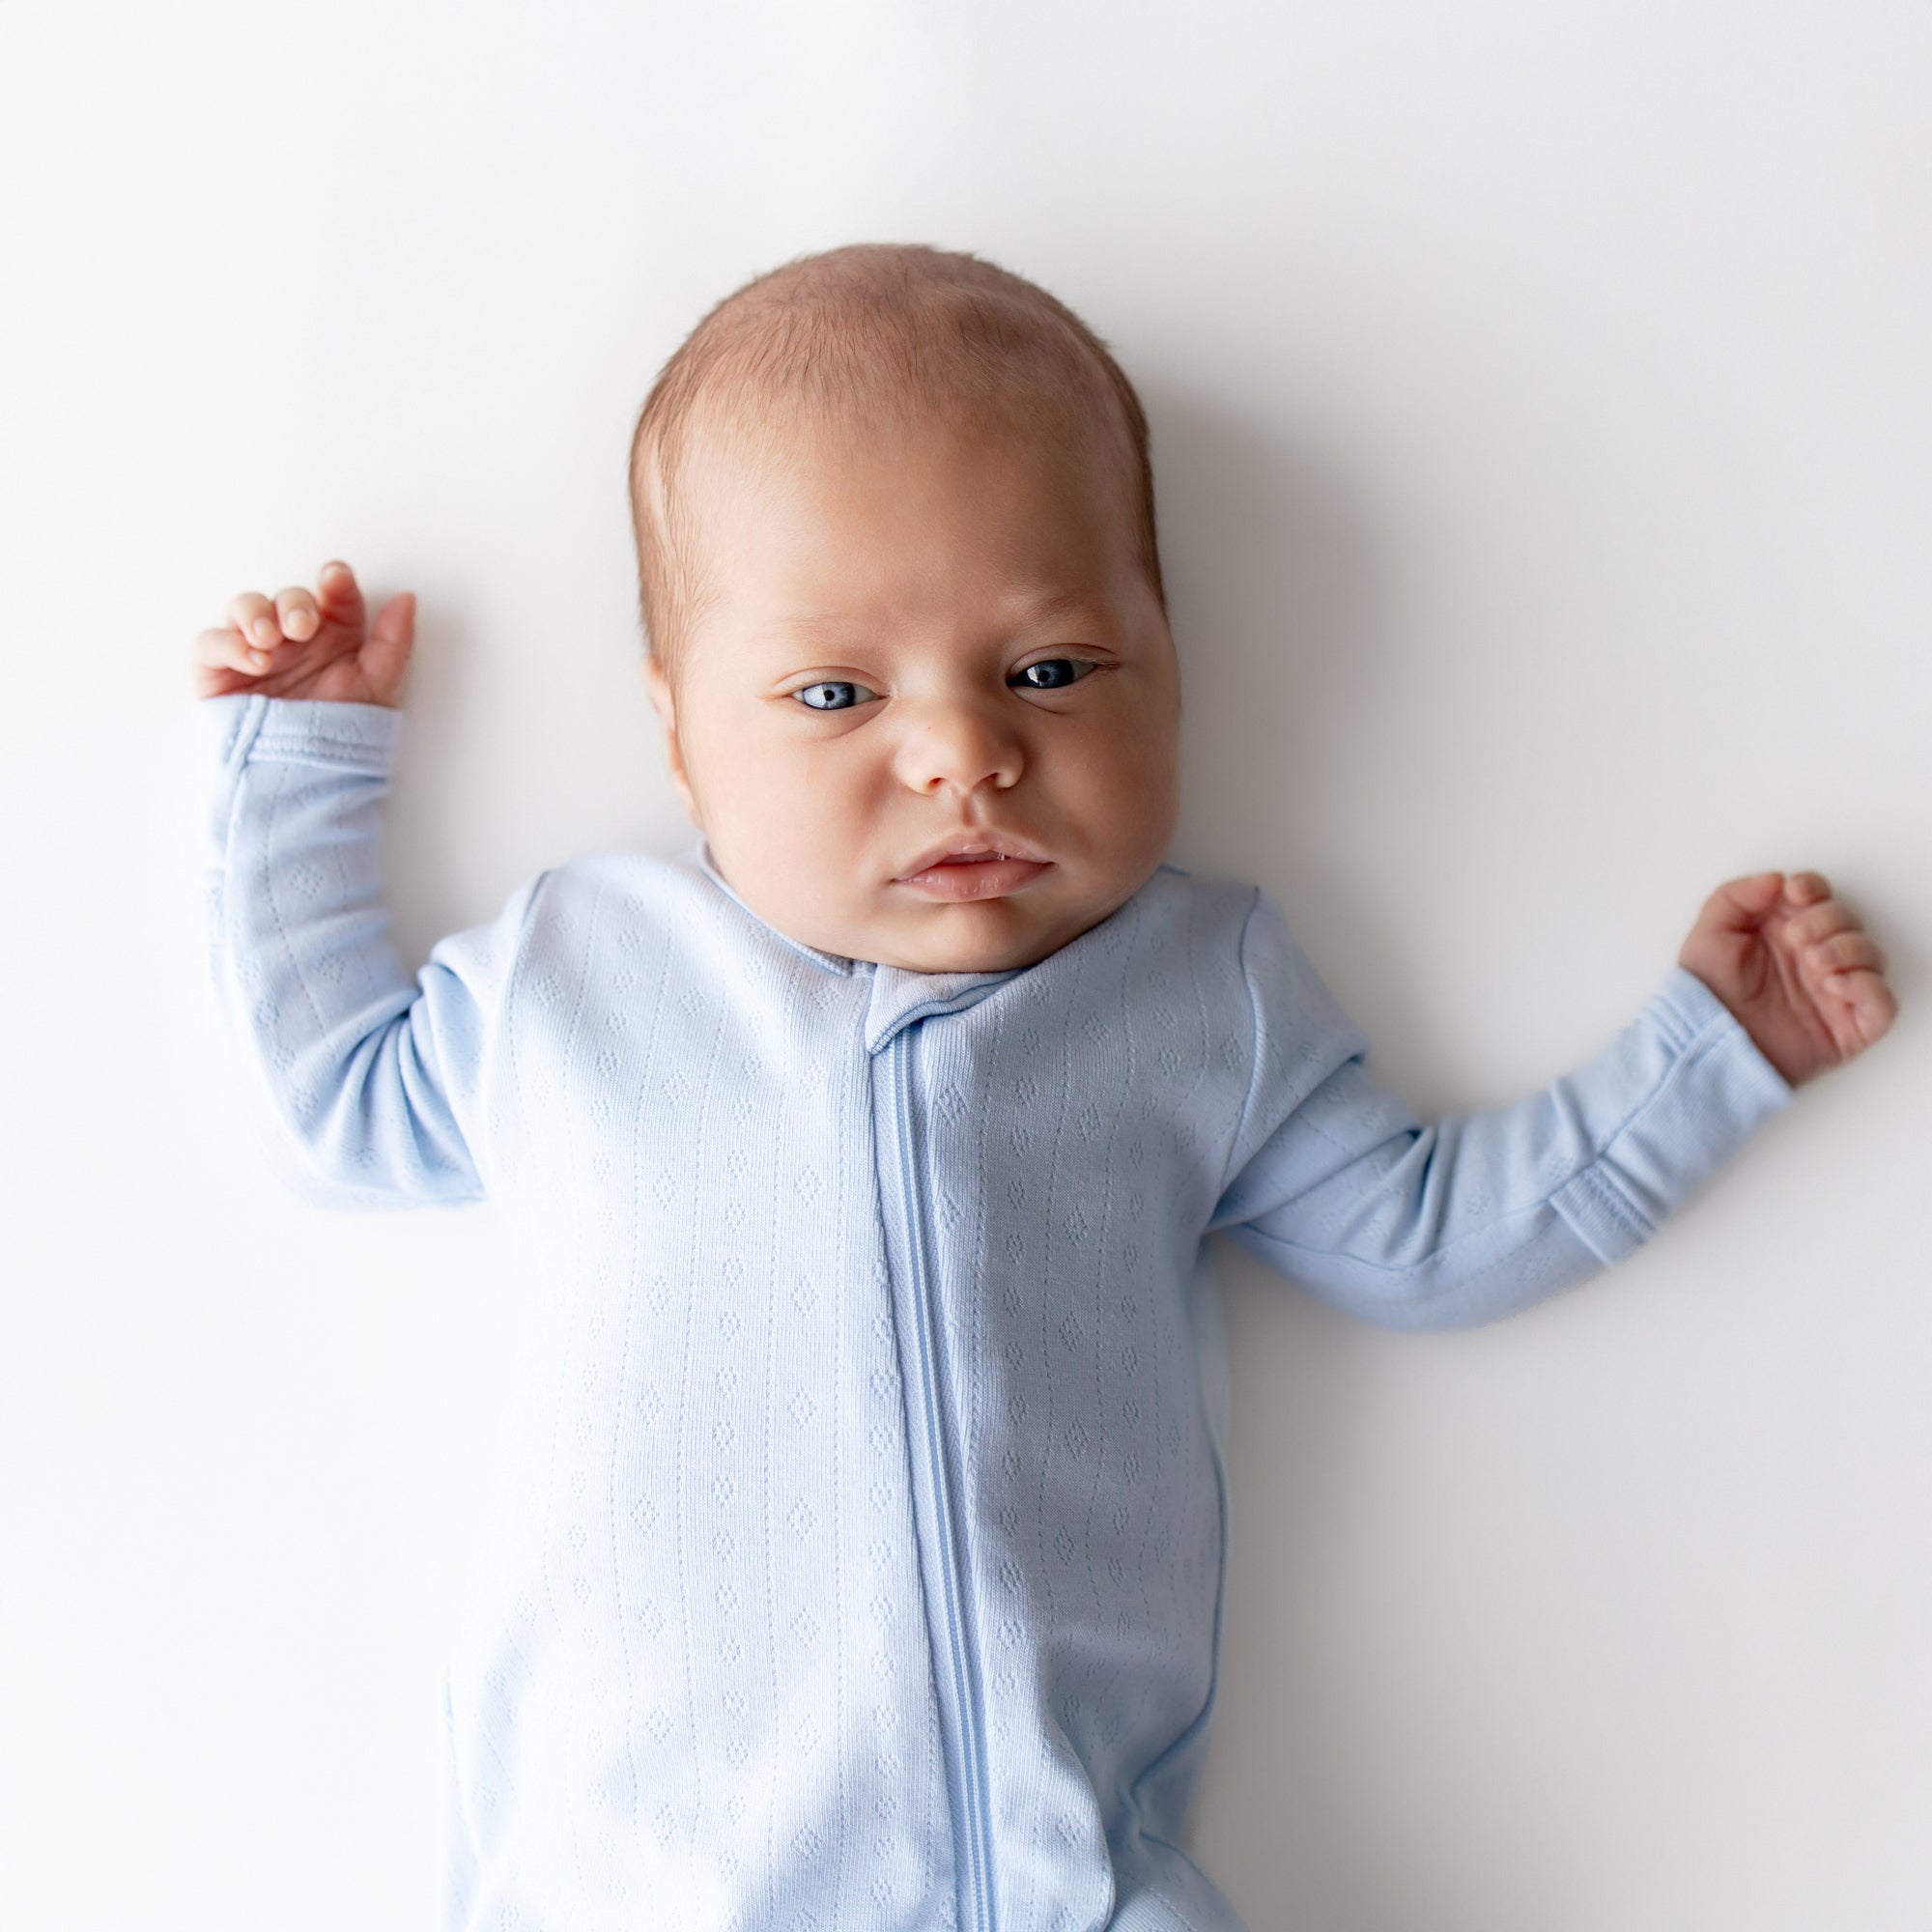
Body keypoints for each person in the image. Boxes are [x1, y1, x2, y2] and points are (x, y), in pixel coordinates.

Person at [190, 243, 1894, 1932]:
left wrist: (1712, 1050)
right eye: (836, 693)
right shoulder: (581, 974)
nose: (962, 753)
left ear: (1173, 661)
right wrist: (304, 763)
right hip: (638, 1883)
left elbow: (1429, 1239)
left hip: (1067, 1878)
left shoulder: (1191, 993)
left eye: (1053, 671)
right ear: (679, 731)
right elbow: (335, 1108)